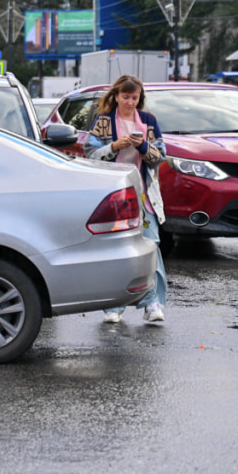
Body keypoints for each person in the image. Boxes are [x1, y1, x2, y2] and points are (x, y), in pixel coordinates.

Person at [84, 74, 168, 324]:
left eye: (135, 97)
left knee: (151, 246)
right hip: (113, 198)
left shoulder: (149, 121)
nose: (131, 102)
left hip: (144, 197)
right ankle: (114, 305)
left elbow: (160, 156)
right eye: (126, 97)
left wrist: (143, 147)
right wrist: (115, 146)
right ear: (116, 97)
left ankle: (153, 303)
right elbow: (90, 155)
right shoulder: (105, 121)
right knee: (115, 249)